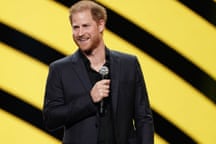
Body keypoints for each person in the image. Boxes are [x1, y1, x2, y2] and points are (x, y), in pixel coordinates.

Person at [42, 0, 154, 144]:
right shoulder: (60, 69)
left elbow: (143, 117)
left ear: (100, 25)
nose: (80, 33)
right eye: (75, 27)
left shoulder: (129, 65)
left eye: (85, 26)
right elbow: (51, 118)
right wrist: (89, 100)